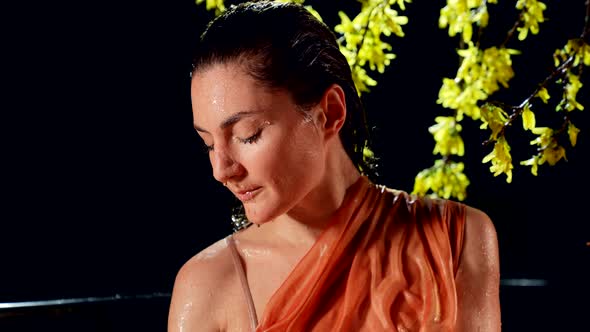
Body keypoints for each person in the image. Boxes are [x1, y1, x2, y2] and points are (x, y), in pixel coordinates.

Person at [168, 1, 501, 331]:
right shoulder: (207, 286)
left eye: (248, 135)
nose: (221, 170)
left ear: (329, 112)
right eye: (209, 144)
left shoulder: (455, 236)